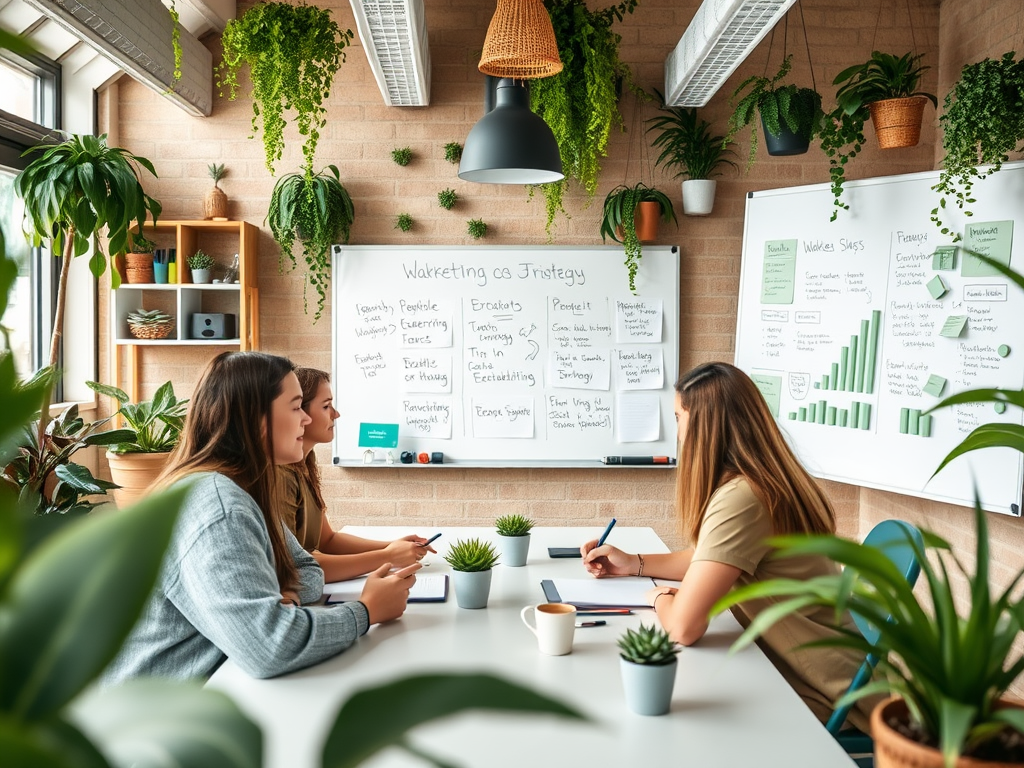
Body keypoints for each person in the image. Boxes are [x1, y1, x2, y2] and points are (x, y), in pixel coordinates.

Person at [582, 362, 873, 731]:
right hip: (824, 665)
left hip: (824, 690)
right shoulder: (762, 481)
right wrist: (634, 564)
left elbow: (684, 629)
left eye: (678, 417)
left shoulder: (743, 497)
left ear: (704, 426)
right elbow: (711, 558)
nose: (678, 432)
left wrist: (657, 597)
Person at [104, 351, 419, 683]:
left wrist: (281, 594)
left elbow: (306, 568)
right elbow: (270, 647)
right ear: (257, 418)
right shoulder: (219, 505)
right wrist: (366, 611)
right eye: (297, 406)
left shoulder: (245, 488)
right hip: (149, 715)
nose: (307, 420)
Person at [276, 367, 434, 583]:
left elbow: (328, 540)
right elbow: (294, 566)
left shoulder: (306, 464)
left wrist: (393, 546)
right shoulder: (281, 477)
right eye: (326, 406)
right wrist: (387, 556)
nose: (336, 414)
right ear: (300, 412)